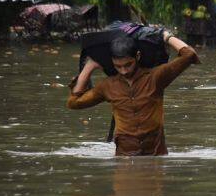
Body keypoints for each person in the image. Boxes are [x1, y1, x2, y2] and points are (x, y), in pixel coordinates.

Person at [67, 32, 199, 156]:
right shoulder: (108, 86)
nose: (124, 71)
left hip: (155, 154)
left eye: (128, 65)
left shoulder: (155, 77)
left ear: (138, 56)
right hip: (124, 155)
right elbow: (74, 103)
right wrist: (89, 66)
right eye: (118, 67)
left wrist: (165, 36)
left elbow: (189, 55)